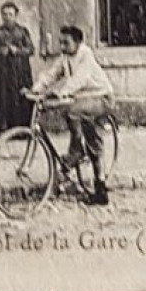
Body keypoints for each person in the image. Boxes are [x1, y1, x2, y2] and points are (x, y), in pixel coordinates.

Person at [31, 25, 115, 206]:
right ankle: (79, 157)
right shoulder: (65, 57)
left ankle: (78, 153)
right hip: (83, 99)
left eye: (66, 43)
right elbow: (51, 75)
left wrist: (61, 92)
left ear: (78, 43)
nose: (62, 46)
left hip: (101, 97)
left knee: (72, 111)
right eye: (60, 42)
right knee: (74, 113)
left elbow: (80, 79)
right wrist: (36, 89)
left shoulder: (86, 55)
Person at [0, 2, 35, 133]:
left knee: (21, 98)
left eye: (10, 14)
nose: (7, 17)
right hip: (4, 72)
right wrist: (1, 52)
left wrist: (17, 50)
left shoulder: (23, 31)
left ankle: (23, 130)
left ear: (16, 15)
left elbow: (31, 49)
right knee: (3, 99)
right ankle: (3, 130)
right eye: (5, 14)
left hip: (21, 71)